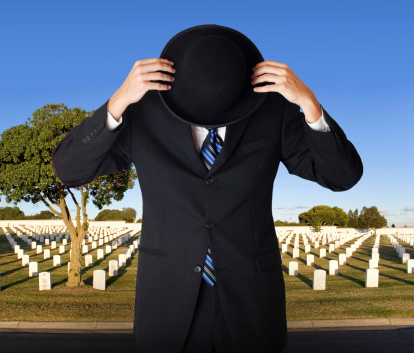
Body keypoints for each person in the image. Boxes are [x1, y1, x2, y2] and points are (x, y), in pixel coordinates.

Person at [52, 24, 363, 353]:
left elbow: (342, 176)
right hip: (167, 301)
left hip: (252, 302)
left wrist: (310, 105)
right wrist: (118, 102)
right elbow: (69, 170)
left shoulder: (272, 112)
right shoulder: (143, 113)